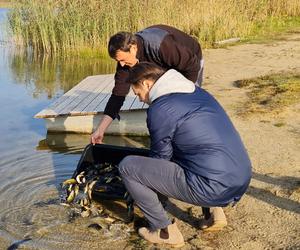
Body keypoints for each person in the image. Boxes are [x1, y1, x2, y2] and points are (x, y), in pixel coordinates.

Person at [118, 62, 252, 247]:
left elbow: (160, 157)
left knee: (128, 167)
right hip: (240, 179)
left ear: (147, 84)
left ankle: (164, 231)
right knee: (194, 152)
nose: (140, 99)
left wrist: (145, 191)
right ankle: (215, 213)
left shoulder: (160, 108)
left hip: (213, 187)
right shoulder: (196, 92)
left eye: (138, 93)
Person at [91, 24, 203, 145]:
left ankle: (193, 136)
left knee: (185, 102)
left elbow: (192, 66)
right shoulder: (124, 62)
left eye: (123, 60)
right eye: (118, 61)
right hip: (161, 63)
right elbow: (118, 95)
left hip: (190, 59)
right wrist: (100, 130)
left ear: (133, 48)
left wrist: (182, 93)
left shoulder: (161, 46)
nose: (121, 65)